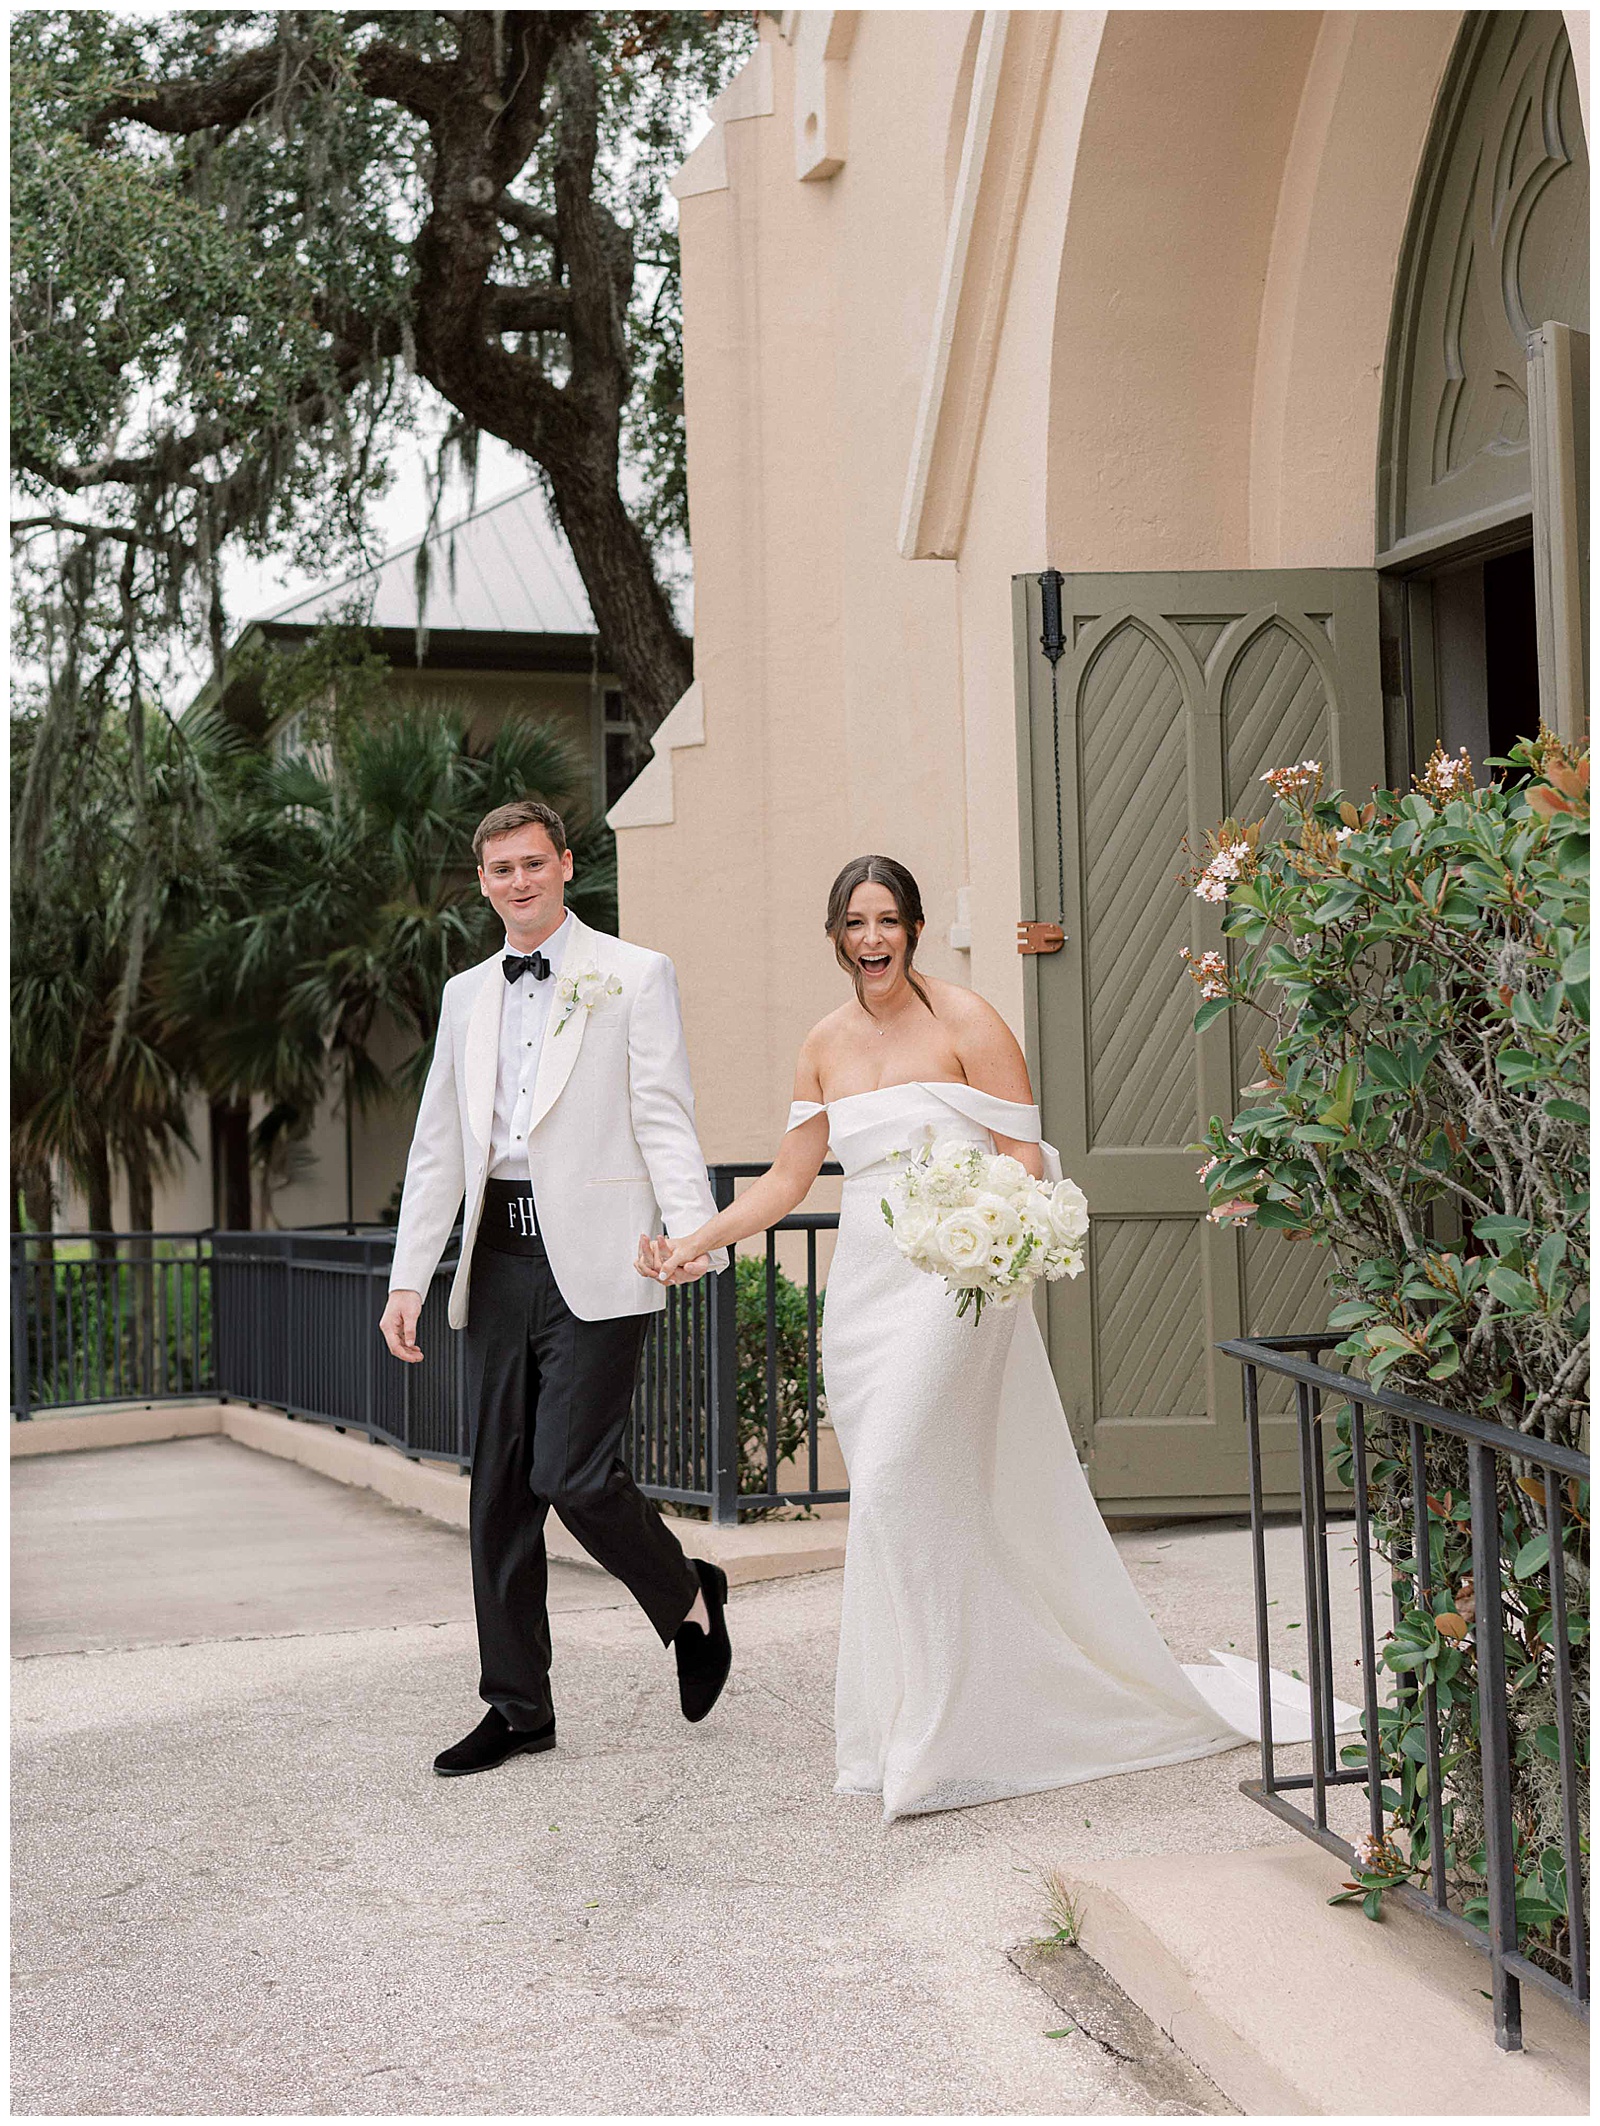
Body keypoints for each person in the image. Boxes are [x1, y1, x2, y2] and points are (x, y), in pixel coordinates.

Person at [638, 854, 1279, 1821]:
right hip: (865, 1296)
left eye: (886, 921)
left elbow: (1023, 1155)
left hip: (958, 1282)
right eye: (853, 923)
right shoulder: (821, 1044)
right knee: (917, 1498)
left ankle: (932, 1735)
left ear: (915, 929)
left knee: (893, 1477)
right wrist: (698, 1241)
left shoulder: (968, 1021)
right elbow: (785, 1181)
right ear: (834, 937)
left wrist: (998, 1241)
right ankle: (942, 1713)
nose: (870, 939)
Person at [380, 798, 732, 1778]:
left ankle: (688, 1595)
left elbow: (663, 1113)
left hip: (603, 1255)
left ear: (566, 865)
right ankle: (518, 1706)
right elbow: (440, 1144)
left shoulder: (633, 973)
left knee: (573, 1473)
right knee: (497, 1491)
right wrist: (411, 1274)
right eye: (499, 869)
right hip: (495, 1260)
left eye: (532, 863)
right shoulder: (464, 994)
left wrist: (691, 1229)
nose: (518, 882)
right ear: (483, 879)